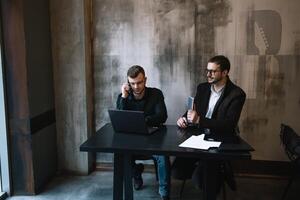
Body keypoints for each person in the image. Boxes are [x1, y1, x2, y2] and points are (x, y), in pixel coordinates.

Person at [173, 55, 246, 191]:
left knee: (203, 180)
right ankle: (211, 174)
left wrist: (200, 120)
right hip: (198, 138)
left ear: (225, 72)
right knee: (177, 171)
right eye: (207, 70)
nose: (208, 74)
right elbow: (194, 110)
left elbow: (229, 124)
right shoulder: (203, 88)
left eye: (213, 71)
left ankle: (216, 175)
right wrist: (183, 118)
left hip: (220, 140)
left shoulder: (237, 94)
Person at [116, 65, 170, 200]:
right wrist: (123, 96)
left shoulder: (156, 94)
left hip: (153, 139)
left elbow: (162, 116)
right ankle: (136, 173)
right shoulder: (124, 97)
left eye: (139, 82)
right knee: (121, 155)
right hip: (132, 140)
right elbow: (120, 119)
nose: (136, 87)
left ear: (145, 80)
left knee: (163, 157)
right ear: (128, 83)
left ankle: (164, 194)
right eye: (132, 83)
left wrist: (141, 120)